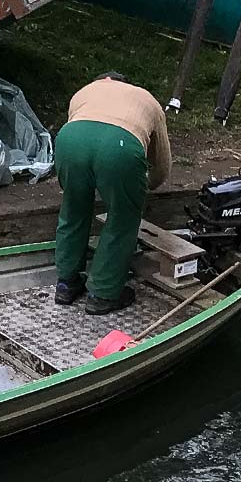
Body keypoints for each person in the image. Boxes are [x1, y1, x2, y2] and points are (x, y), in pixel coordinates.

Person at [52, 71, 172, 315]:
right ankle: (103, 293)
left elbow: (83, 138)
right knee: (122, 219)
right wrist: (144, 186)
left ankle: (66, 284)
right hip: (120, 144)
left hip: (68, 140)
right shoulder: (146, 100)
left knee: (74, 208)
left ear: (102, 81)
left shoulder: (84, 92)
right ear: (124, 83)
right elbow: (161, 162)